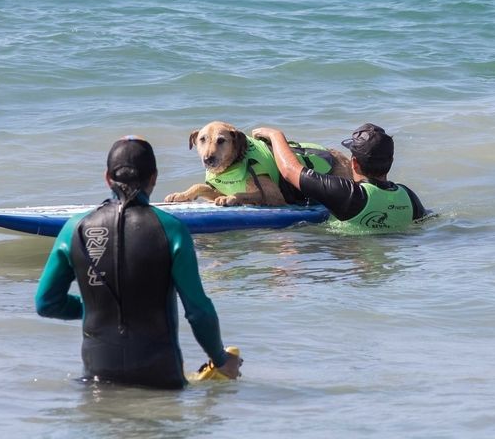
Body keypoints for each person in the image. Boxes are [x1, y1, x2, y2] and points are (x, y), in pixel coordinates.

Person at [35, 136, 241, 388]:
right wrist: (220, 359)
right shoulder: (172, 230)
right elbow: (198, 312)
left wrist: (96, 307)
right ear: (154, 177)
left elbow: (47, 303)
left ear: (107, 178)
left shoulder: (74, 229)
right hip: (162, 381)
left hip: (97, 382)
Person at [251, 123, 427, 233]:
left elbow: (290, 171)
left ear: (354, 163)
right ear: (391, 161)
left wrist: (275, 135)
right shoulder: (409, 197)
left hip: (349, 259)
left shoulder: (348, 194)